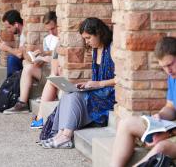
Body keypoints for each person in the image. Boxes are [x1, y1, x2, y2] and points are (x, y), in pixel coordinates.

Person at [40, 17, 116, 149]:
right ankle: (60, 133)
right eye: (85, 38)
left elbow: (122, 79)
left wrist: (98, 84)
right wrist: (87, 84)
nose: (87, 42)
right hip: (99, 90)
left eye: (88, 38)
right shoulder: (95, 50)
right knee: (69, 92)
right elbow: (96, 80)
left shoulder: (113, 49)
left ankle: (66, 136)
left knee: (75, 96)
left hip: (110, 94)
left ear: (99, 33)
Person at [111, 37, 176, 167]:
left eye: (170, 64)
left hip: (172, 132)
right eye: (163, 67)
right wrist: (160, 117)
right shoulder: (172, 77)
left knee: (161, 148)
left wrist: (168, 133)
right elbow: (171, 107)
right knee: (126, 124)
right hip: (171, 128)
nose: (168, 71)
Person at [3, 11, 60, 115]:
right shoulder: (48, 39)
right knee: (28, 67)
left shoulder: (63, 37)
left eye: (53, 28)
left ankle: (13, 92)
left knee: (15, 60)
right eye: (48, 30)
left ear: (58, 25)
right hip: (48, 71)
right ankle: (22, 103)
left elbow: (62, 59)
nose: (51, 32)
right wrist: (40, 57)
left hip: (57, 72)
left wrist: (47, 57)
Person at [0, 10, 25, 77]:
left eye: (9, 27)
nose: (8, 30)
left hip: (27, 64)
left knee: (11, 58)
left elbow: (20, 54)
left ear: (16, 24)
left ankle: (10, 84)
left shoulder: (25, 34)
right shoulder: (20, 34)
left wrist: (6, 48)